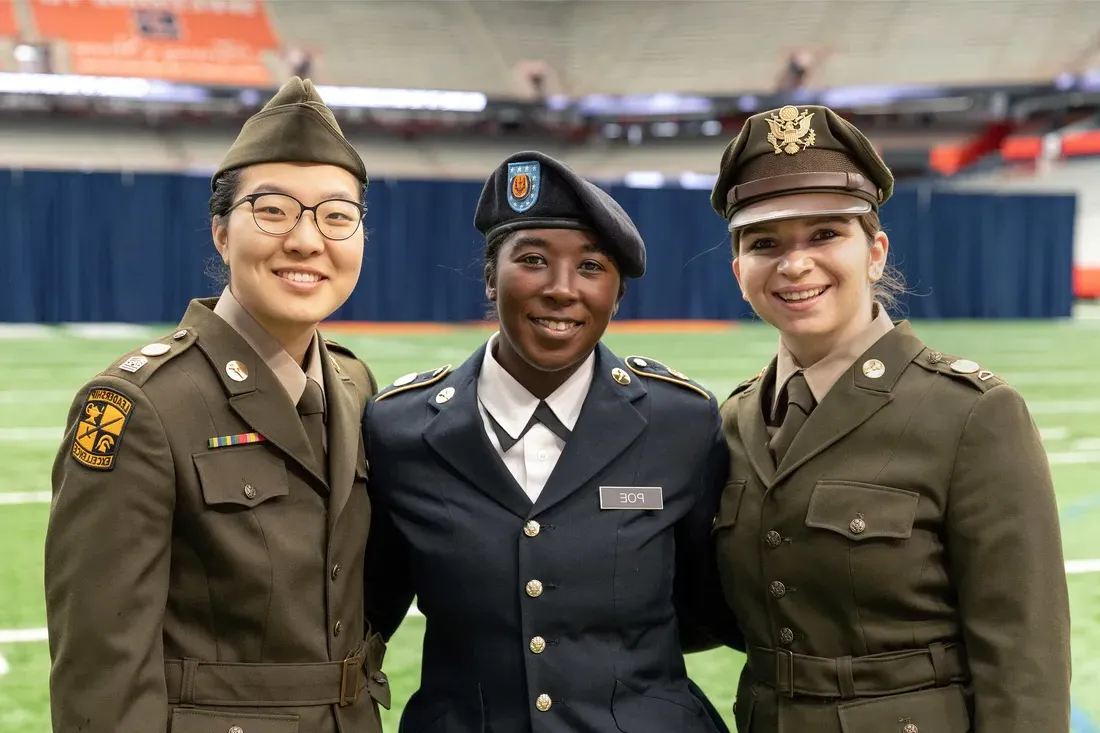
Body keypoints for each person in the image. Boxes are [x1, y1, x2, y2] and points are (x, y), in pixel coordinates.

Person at [707, 104, 1071, 732]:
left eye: (825, 234)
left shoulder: (972, 414)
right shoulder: (735, 420)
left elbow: (1024, 661)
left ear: (874, 252)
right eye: (765, 243)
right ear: (740, 272)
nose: (795, 265)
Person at [44, 77, 390, 733]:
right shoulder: (139, 404)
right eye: (273, 210)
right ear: (222, 232)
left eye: (337, 215)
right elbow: (102, 672)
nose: (307, 240)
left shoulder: (353, 383)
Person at [363, 151, 734, 732]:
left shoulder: (679, 422)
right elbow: (367, 614)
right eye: (532, 259)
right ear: (490, 275)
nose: (563, 289)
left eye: (592, 267)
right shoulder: (399, 429)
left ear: (618, 294)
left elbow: (710, 608)